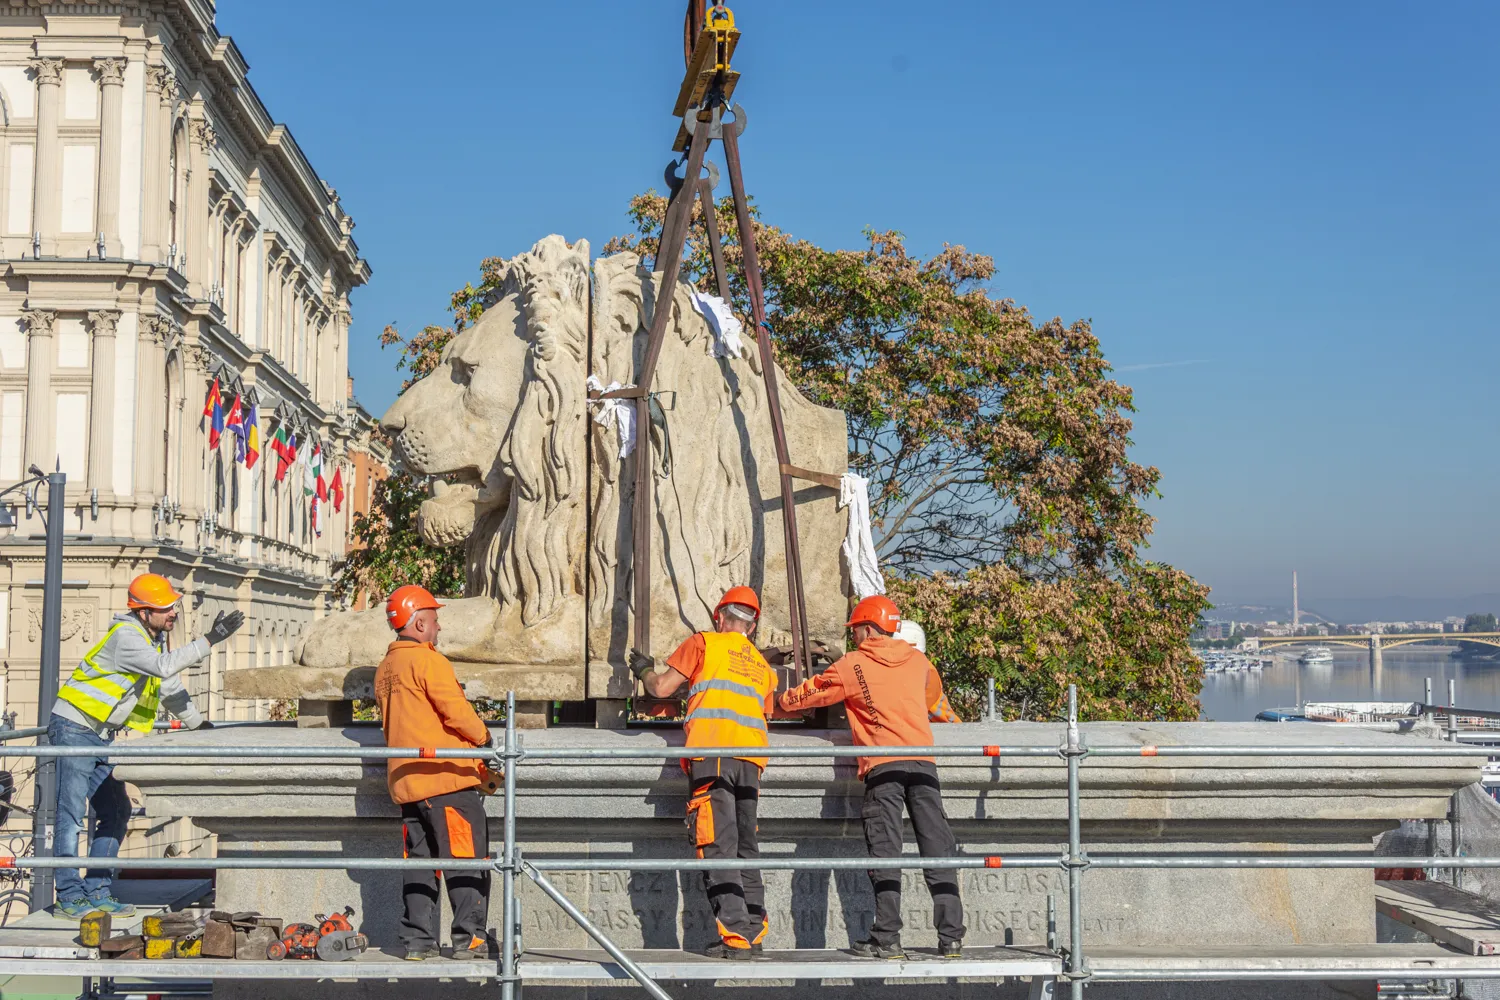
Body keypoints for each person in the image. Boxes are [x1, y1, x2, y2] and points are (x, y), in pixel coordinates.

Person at [778, 595, 964, 960]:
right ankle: (952, 937)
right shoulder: (919, 660)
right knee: (938, 849)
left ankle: (887, 938)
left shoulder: (853, 664)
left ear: (865, 628)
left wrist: (780, 699)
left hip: (884, 769)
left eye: (855, 630)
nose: (854, 636)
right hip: (924, 766)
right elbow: (936, 705)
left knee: (886, 852)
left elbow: (807, 696)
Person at [49, 573, 243, 918]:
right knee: (70, 815)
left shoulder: (150, 640)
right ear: (143, 612)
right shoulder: (127, 637)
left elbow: (168, 686)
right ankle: (68, 894)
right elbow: (163, 667)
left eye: (173, 606)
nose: (173, 613)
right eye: (165, 608)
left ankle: (97, 889)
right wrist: (211, 639)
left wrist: (199, 724)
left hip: (99, 734)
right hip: (74, 728)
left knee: (117, 811)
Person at [636, 586, 779, 960]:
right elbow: (760, 711)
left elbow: (662, 687)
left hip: (713, 755)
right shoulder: (763, 667)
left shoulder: (703, 643)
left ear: (719, 616)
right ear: (751, 626)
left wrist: (643, 669)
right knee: (746, 848)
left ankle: (734, 938)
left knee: (717, 844)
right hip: (750, 762)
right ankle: (753, 931)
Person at [374, 585, 495, 962]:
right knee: (466, 860)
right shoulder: (428, 661)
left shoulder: (385, 668)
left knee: (421, 867)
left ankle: (418, 943)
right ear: (420, 622)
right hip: (447, 781)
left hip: (409, 785)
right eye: (436, 619)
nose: (439, 627)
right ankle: (469, 939)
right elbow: (455, 711)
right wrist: (486, 739)